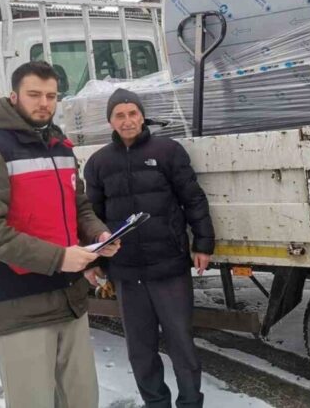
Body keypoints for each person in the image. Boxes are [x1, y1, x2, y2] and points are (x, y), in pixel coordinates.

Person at [0, 61, 119, 408]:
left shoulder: (60, 147)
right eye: (34, 94)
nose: (44, 103)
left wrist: (98, 233)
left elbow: (78, 206)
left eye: (51, 96)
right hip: (19, 304)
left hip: (70, 299)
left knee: (82, 400)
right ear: (13, 97)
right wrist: (60, 258)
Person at [84, 88, 215, 408]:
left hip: (168, 266)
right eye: (119, 115)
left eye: (133, 113)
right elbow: (91, 216)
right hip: (127, 271)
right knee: (140, 349)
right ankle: (156, 402)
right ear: (111, 122)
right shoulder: (99, 163)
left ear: (142, 117)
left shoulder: (168, 151)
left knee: (181, 343)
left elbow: (193, 199)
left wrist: (203, 243)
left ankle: (190, 402)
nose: (127, 120)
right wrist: (92, 260)